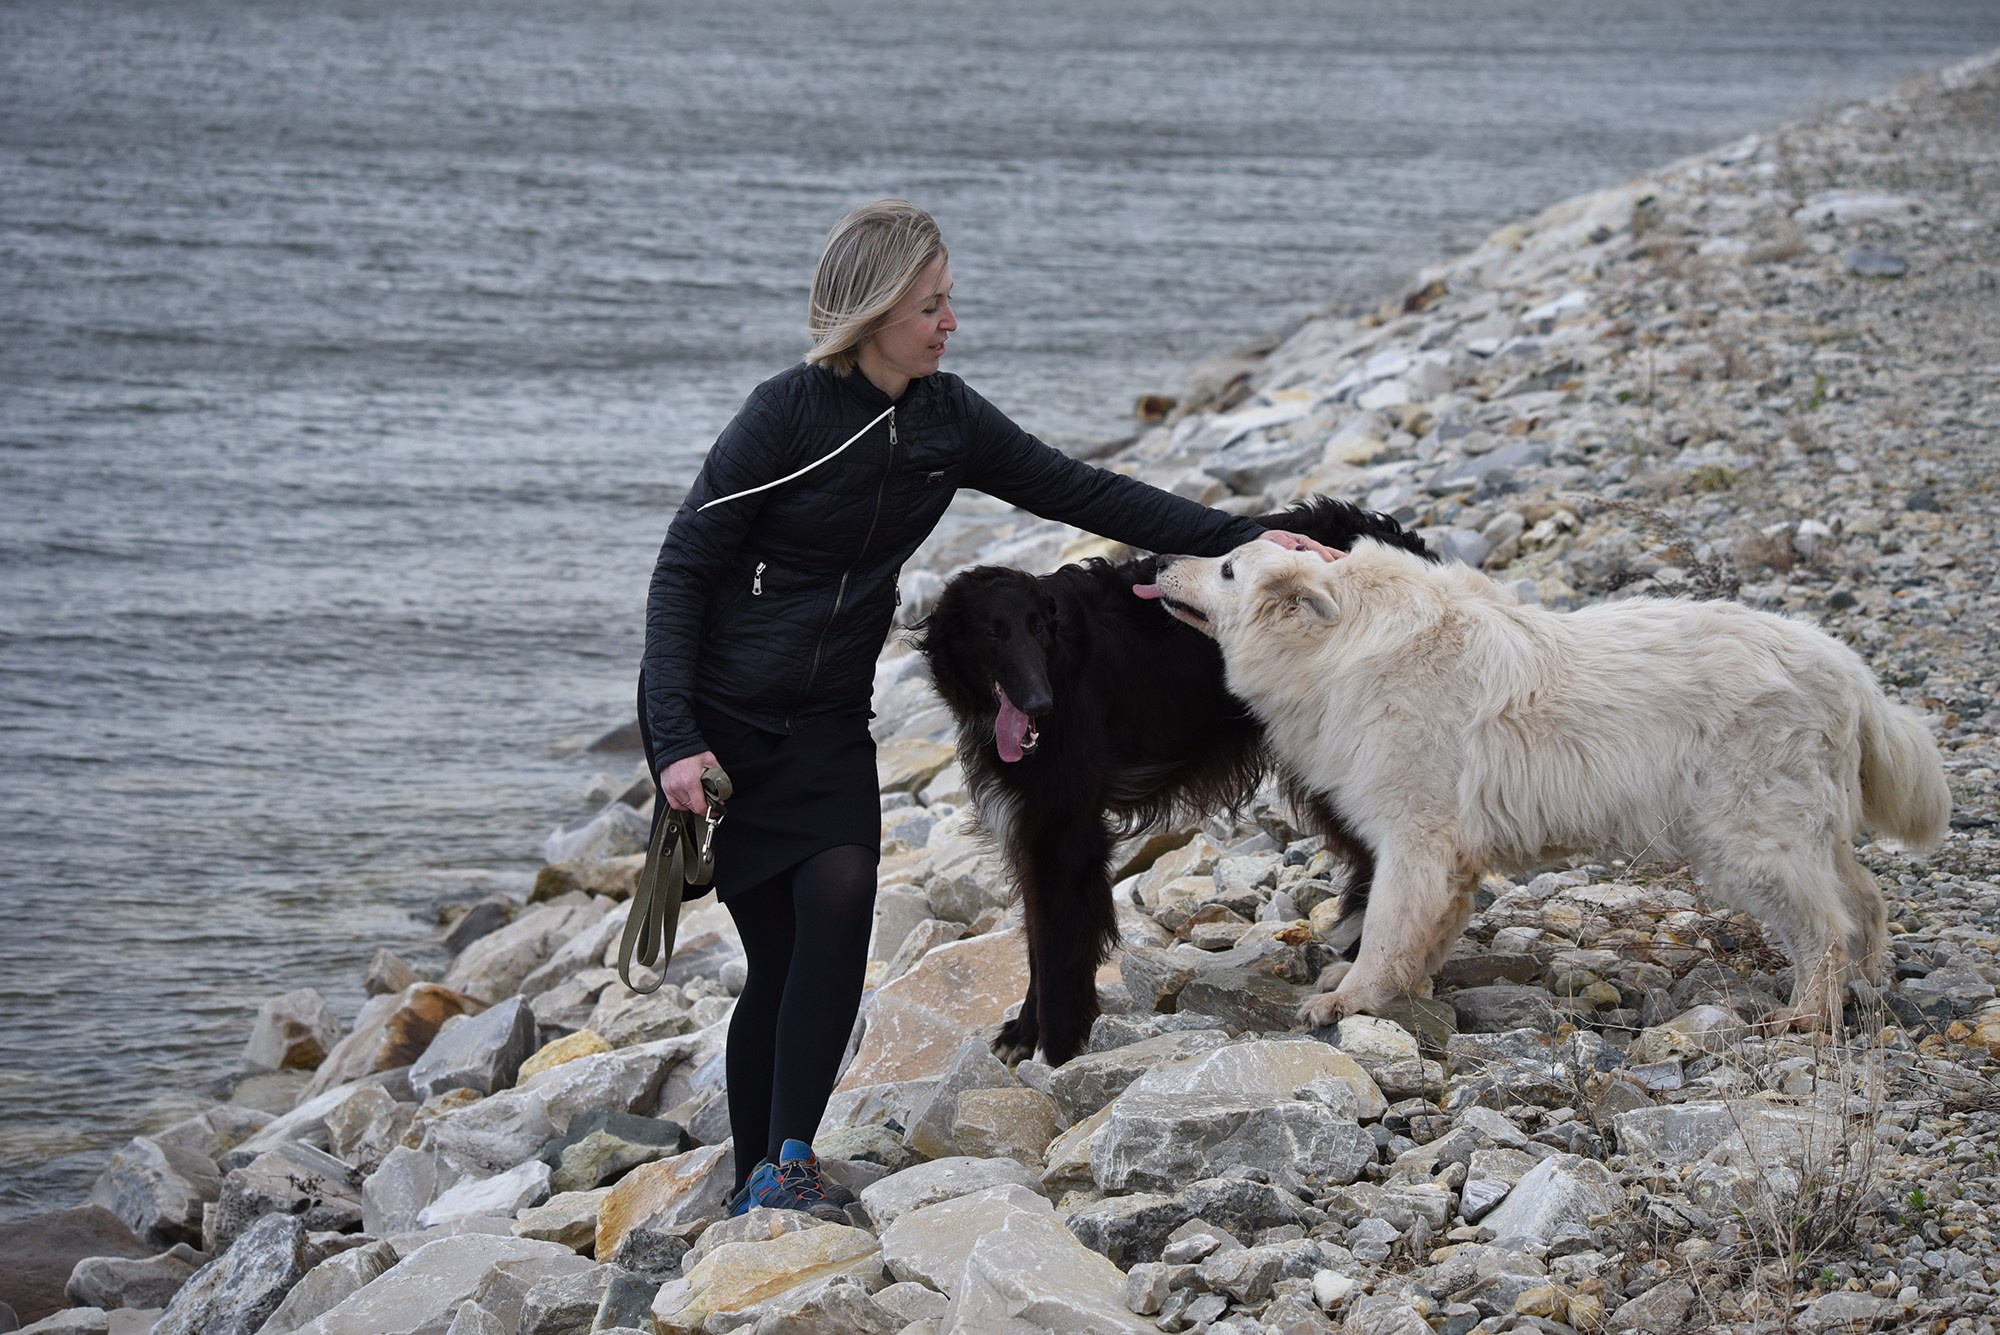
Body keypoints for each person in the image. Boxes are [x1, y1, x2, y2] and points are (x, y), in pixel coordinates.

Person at [639, 197, 1331, 1219]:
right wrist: (673, 738)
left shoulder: (944, 419)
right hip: (731, 727)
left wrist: (1252, 542)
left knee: (835, 911)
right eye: (930, 305)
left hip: (829, 722)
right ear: (873, 314)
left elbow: (1086, 492)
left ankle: (786, 1163)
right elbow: (683, 569)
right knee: (775, 957)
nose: (948, 322)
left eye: (947, 300)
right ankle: (755, 1174)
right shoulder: (782, 416)